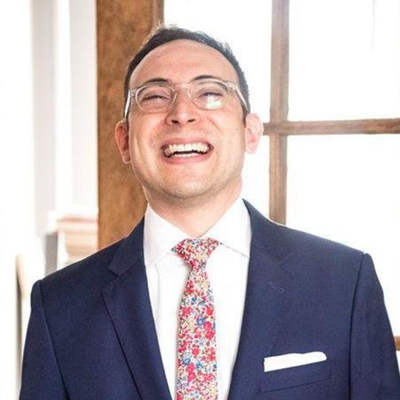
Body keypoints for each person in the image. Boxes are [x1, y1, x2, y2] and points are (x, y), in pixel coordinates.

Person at [20, 26, 400, 400]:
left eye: (210, 93)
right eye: (155, 96)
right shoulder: (60, 306)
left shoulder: (344, 283)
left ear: (250, 132)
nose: (182, 113)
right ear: (124, 141)